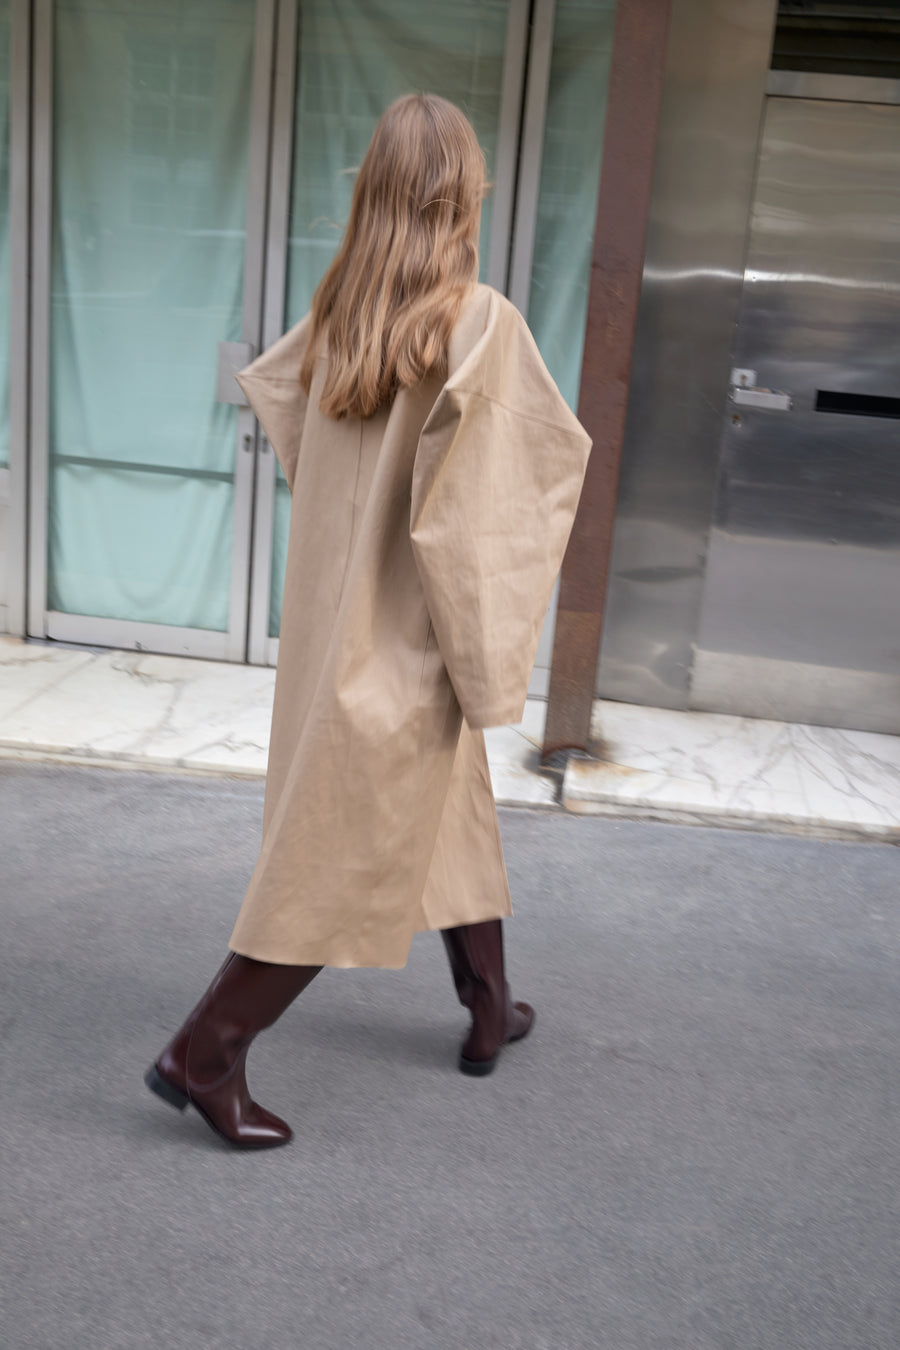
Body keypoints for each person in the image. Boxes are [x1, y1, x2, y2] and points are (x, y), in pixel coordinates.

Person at [145, 93, 591, 1150]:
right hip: (408, 633)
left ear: (376, 191)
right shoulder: (478, 322)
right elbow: (490, 512)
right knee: (339, 850)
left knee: (449, 805)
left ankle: (488, 1007)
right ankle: (202, 1055)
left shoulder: (341, 312)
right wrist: (484, 660)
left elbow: (300, 424)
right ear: (461, 192)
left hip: (339, 620)